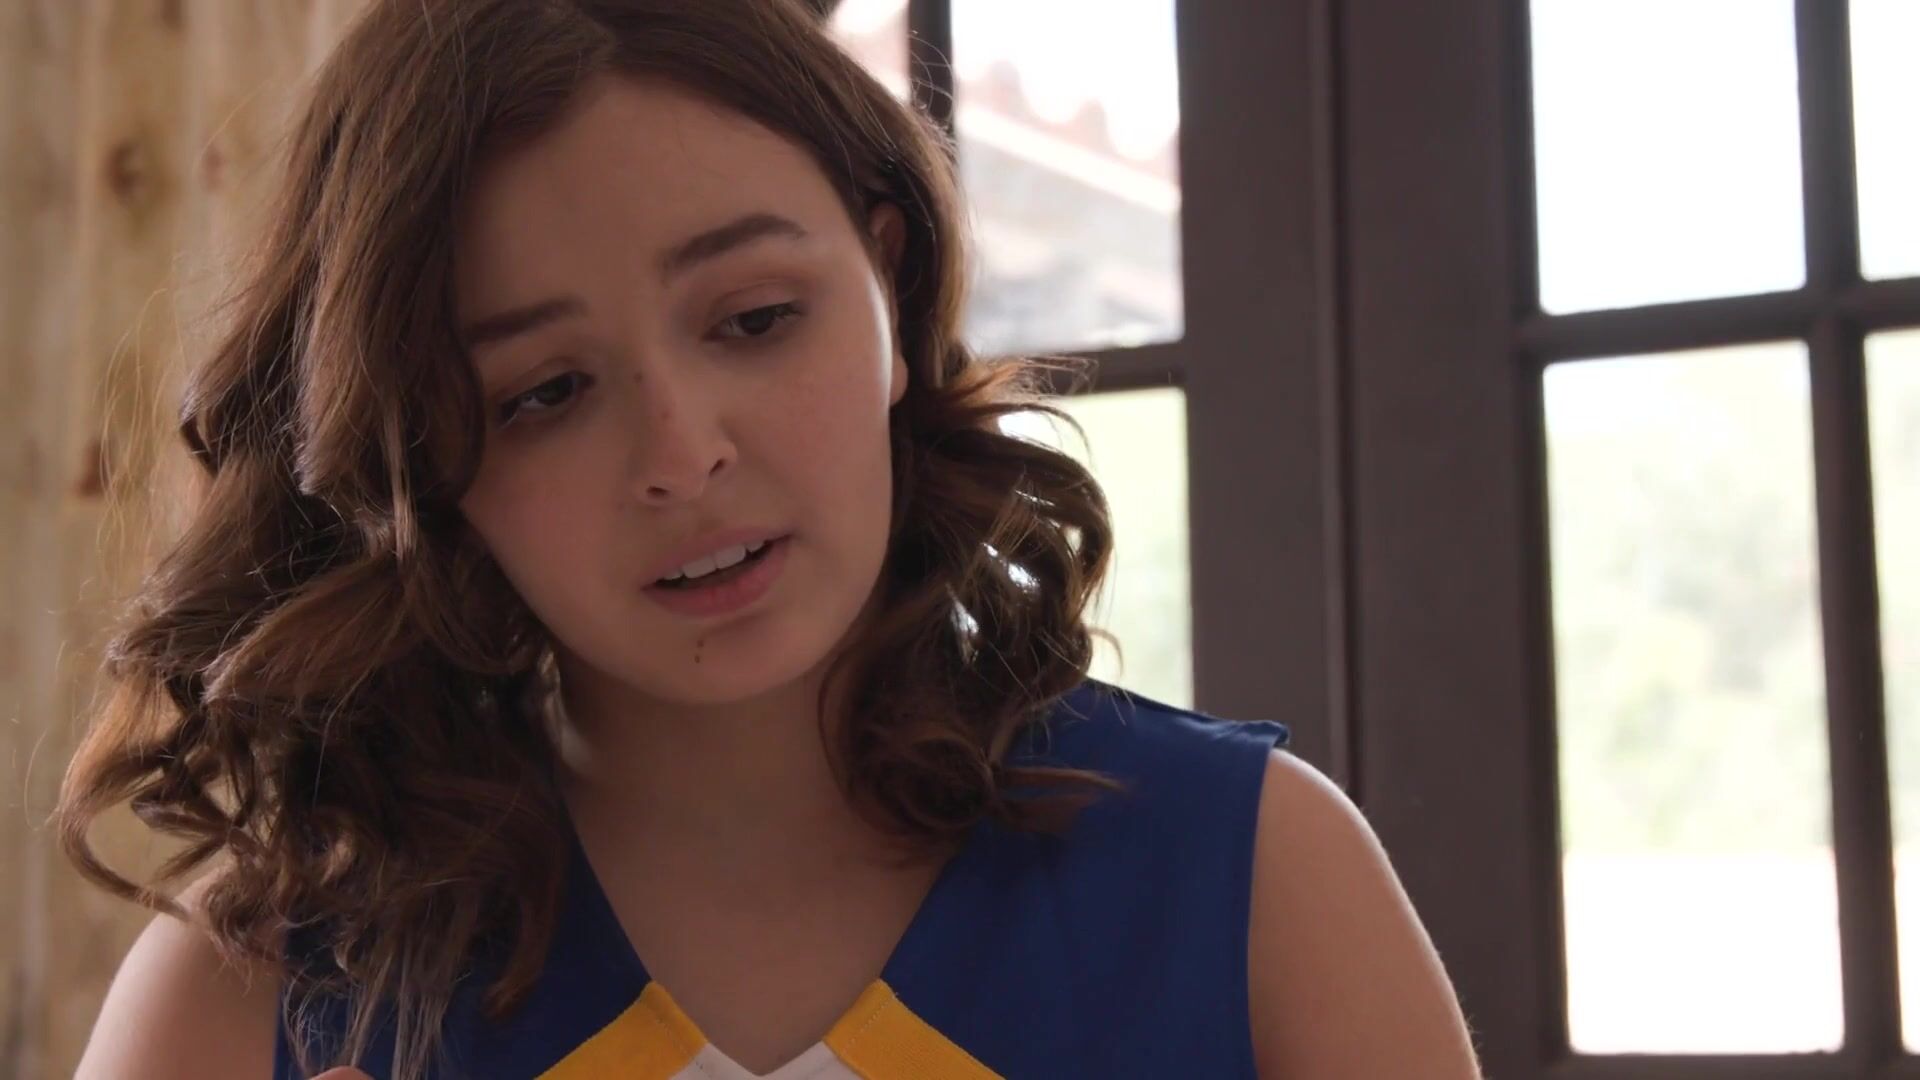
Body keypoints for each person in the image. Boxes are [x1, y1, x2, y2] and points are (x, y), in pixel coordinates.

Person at [59, 1, 1481, 1077]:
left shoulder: (1255, 881)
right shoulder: (250, 997)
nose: (683, 457)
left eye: (754, 319)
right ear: (421, 462)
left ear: (890, 286)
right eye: (544, 394)